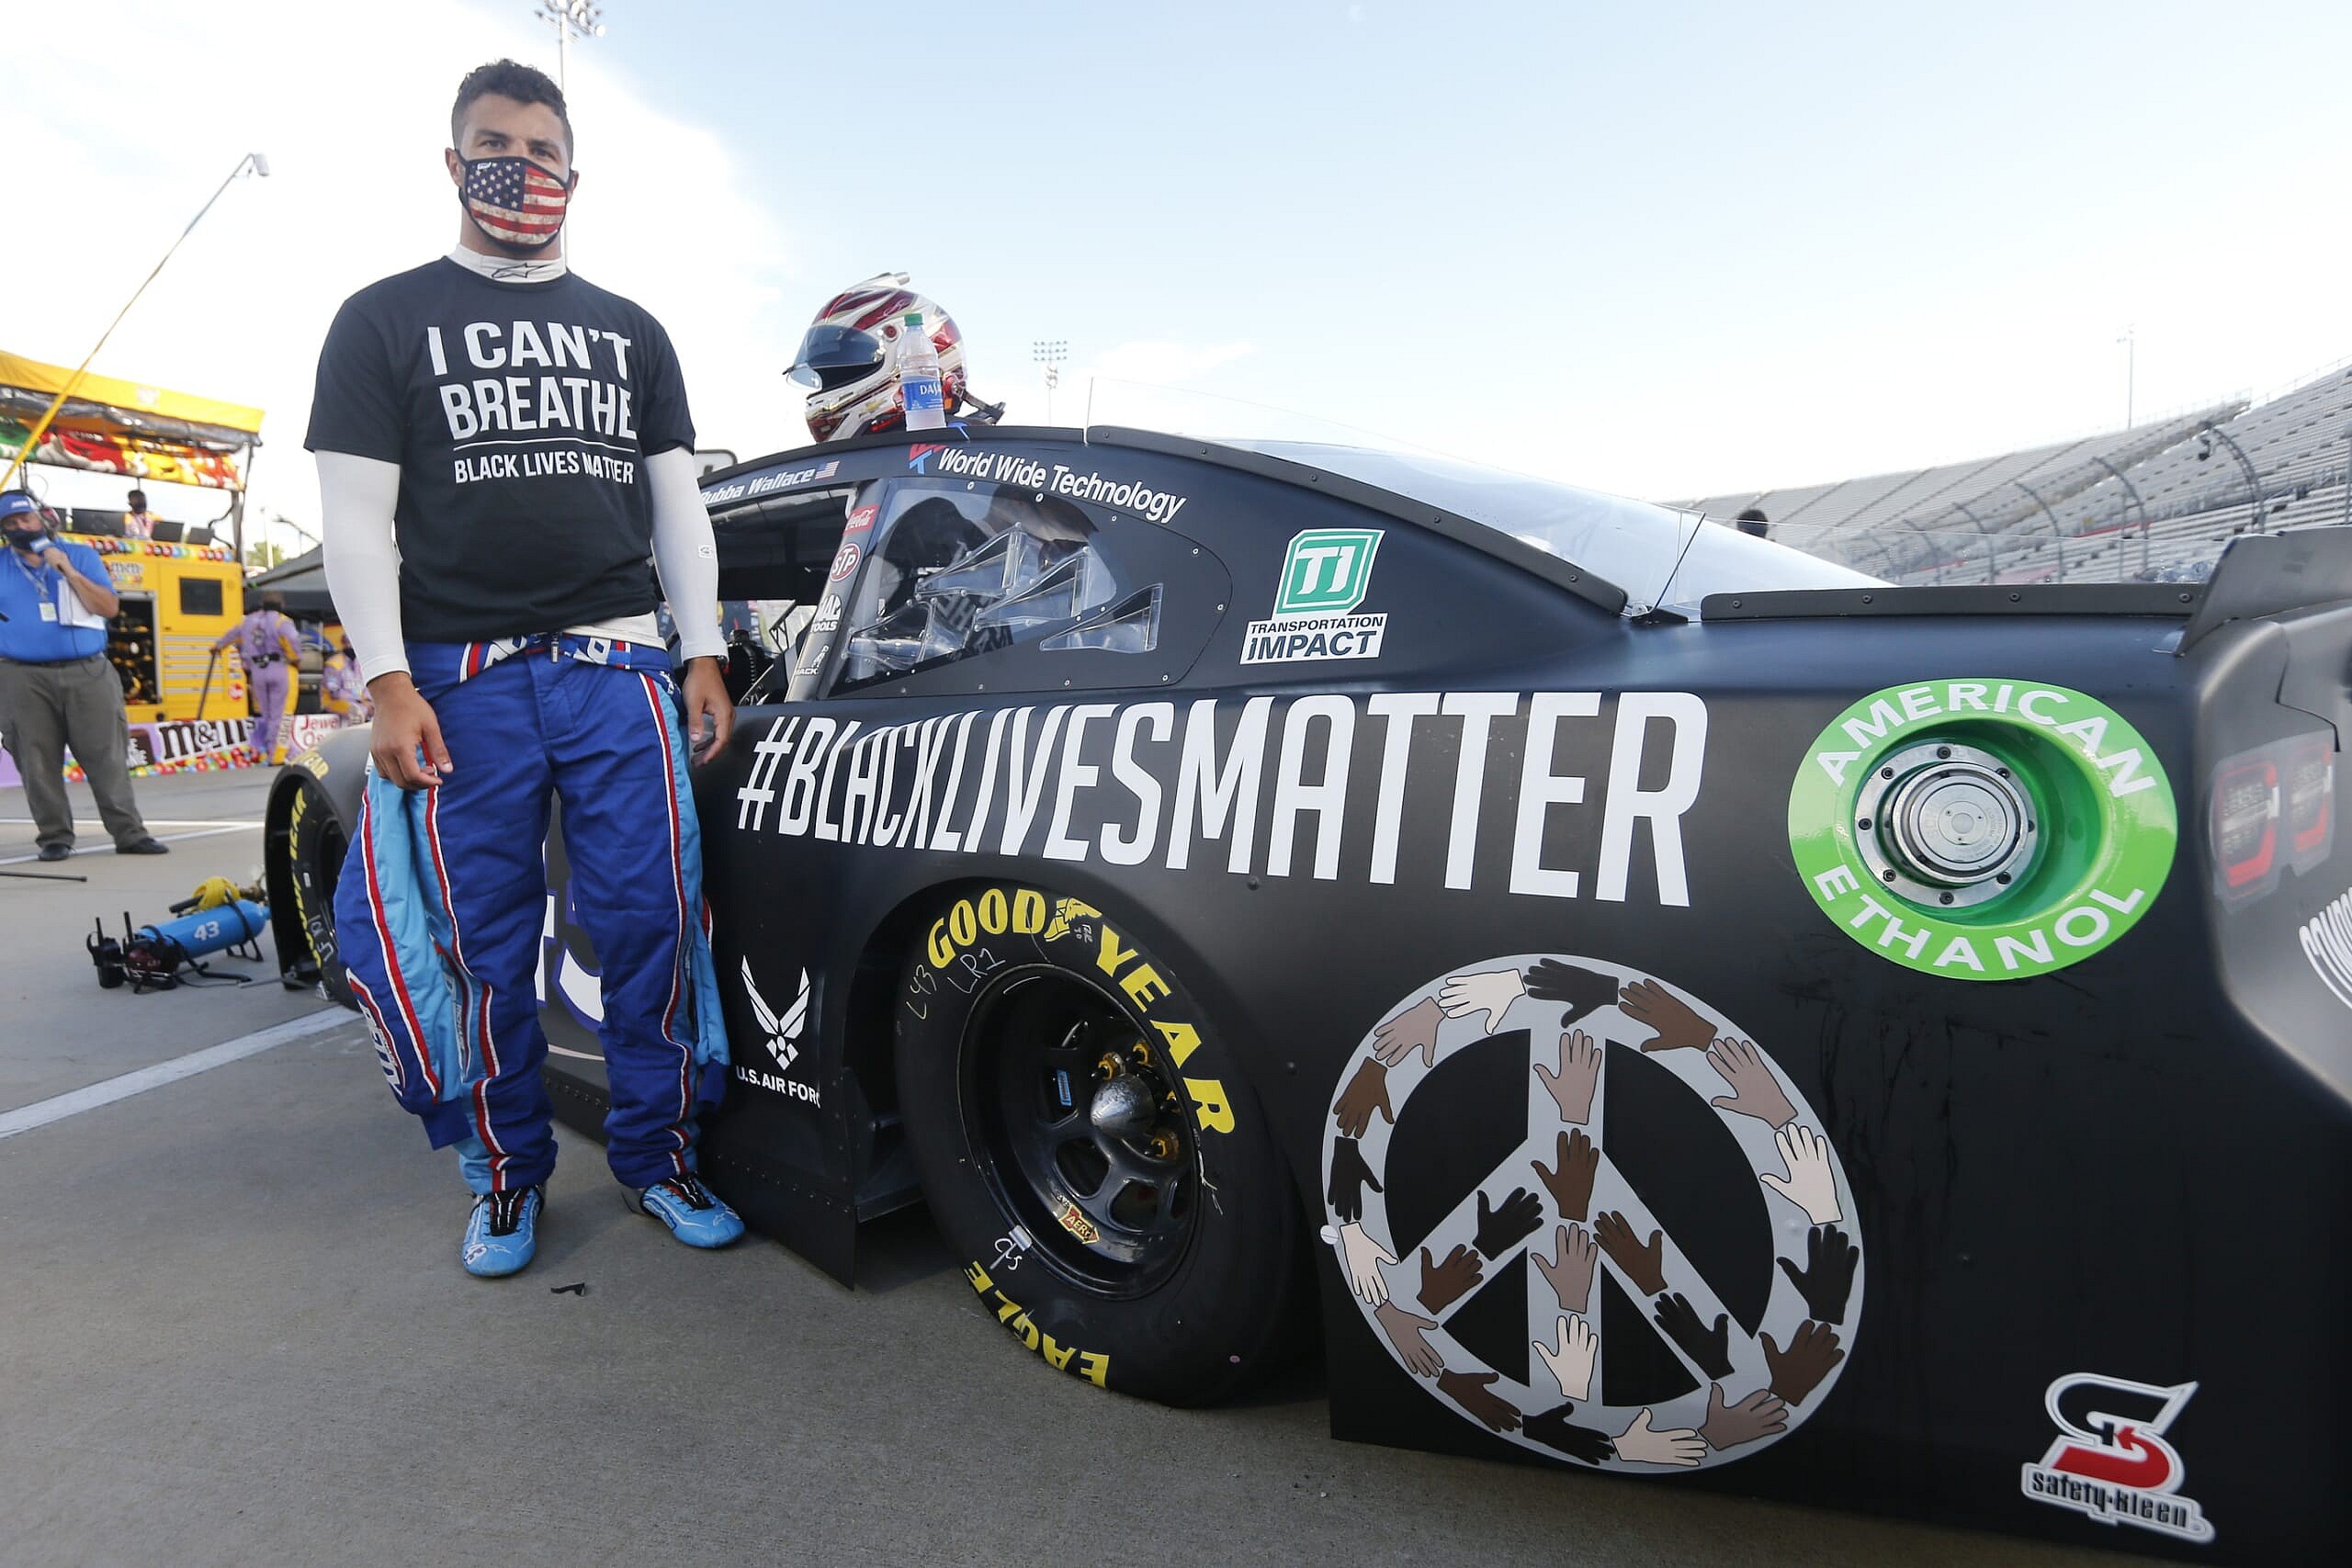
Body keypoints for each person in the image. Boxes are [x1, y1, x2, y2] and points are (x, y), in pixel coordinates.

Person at [309, 59, 741, 1279]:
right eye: (494, 146)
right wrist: (389, 680)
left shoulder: (634, 329)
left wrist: (700, 648)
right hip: (463, 679)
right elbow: (356, 519)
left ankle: (658, 1157)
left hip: (619, 667)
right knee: (483, 942)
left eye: (543, 151)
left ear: (574, 172)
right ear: (452, 162)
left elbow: (679, 512)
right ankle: (506, 1173)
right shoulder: (382, 318)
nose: (521, 169)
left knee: (651, 919)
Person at [0, 491, 168, 861]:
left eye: (24, 519)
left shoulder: (80, 555)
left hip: (86, 671)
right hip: (22, 675)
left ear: (42, 517)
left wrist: (67, 572)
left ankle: (129, 832)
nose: (19, 528)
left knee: (106, 754)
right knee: (35, 758)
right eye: (10, 524)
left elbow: (107, 607)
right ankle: (54, 836)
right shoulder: (2, 564)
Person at [213, 589, 300, 763]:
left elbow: (231, 635)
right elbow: (292, 640)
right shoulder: (282, 621)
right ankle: (277, 755)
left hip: (258, 671)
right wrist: (296, 658)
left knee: (268, 715)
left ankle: (276, 749)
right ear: (280, 605)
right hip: (279, 668)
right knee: (282, 713)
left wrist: (218, 646)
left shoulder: (248, 621)